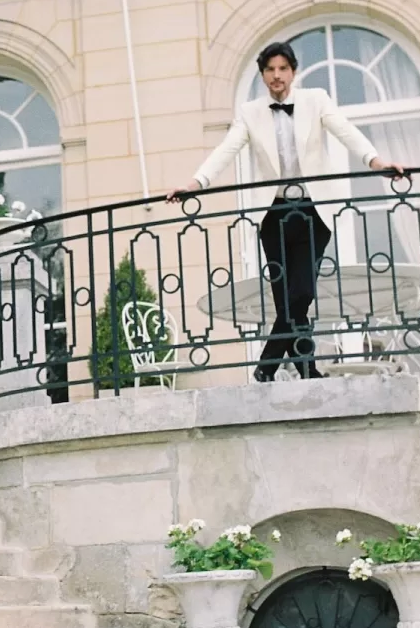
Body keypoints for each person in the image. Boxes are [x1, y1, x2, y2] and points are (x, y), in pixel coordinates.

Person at [168, 41, 405, 380]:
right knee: (286, 302)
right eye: (270, 70)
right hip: (275, 214)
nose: (276, 76)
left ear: (293, 72)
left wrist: (377, 163)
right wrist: (195, 184)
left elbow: (347, 132)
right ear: (263, 75)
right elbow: (226, 150)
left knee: (302, 292)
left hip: (312, 210)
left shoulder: (316, 100)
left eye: (283, 69)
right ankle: (307, 370)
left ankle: (267, 365)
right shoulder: (250, 112)